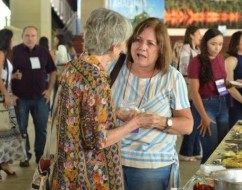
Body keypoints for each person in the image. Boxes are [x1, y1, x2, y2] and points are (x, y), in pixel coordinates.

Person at [49, 8, 152, 189]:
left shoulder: (75, 65)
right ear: (113, 48)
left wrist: (114, 113)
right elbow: (98, 140)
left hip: (66, 168)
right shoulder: (96, 79)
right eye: (122, 44)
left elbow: (79, 113)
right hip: (87, 178)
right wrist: (134, 123)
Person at [111, 17, 193, 190]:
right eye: (138, 40)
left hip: (152, 170)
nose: (142, 47)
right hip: (111, 163)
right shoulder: (114, 68)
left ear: (161, 49)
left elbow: (187, 125)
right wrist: (116, 112)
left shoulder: (171, 77)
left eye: (150, 43)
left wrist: (160, 121)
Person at [11, 26, 57, 167]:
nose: (30, 38)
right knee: (22, 128)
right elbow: (5, 74)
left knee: (41, 128)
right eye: (27, 35)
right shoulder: (14, 52)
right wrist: (11, 93)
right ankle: (25, 156)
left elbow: (53, 71)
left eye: (33, 35)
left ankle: (40, 156)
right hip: (20, 98)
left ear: (36, 37)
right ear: (22, 37)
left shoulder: (43, 52)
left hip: (40, 98)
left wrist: (49, 90)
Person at [188, 28, 230, 163]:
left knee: (221, 149)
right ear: (205, 43)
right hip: (205, 105)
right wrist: (204, 116)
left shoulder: (220, 58)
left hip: (222, 103)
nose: (217, 47)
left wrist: (231, 84)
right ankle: (204, 184)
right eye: (213, 44)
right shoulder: (196, 61)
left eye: (220, 44)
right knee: (210, 152)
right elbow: (194, 92)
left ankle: (217, 182)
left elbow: (220, 83)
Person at [0, 28, 25, 178]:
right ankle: (4, 163)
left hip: (5, 94)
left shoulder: (4, 54)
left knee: (6, 132)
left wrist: (13, 76)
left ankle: (4, 162)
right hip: (2, 97)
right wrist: (6, 95)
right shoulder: (1, 54)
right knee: (4, 131)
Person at [178, 25, 202, 162]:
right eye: (199, 33)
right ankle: (185, 152)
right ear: (192, 35)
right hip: (188, 87)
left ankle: (195, 150)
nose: (200, 36)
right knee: (193, 118)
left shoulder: (196, 50)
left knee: (197, 119)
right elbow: (185, 68)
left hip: (196, 85)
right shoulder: (186, 49)